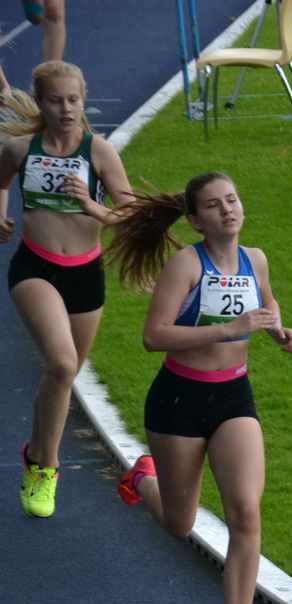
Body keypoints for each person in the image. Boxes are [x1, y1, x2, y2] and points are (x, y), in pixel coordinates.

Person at [104, 172, 292, 604]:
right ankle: (143, 478)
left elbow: (265, 302)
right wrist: (228, 329)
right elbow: (154, 336)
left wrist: (277, 330)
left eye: (232, 200)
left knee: (246, 513)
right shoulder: (187, 265)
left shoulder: (256, 259)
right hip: (179, 400)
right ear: (195, 220)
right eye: (213, 205)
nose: (227, 210)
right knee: (179, 524)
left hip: (234, 396)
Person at [0, 60, 132, 518]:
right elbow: (1, 181)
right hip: (35, 267)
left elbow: (129, 214)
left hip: (85, 273)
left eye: (73, 100)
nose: (66, 109)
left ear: (83, 99)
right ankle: (47, 469)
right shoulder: (21, 148)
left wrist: (92, 207)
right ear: (41, 103)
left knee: (63, 375)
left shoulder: (100, 152)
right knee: (60, 362)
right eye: (55, 101)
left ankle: (35, 453)